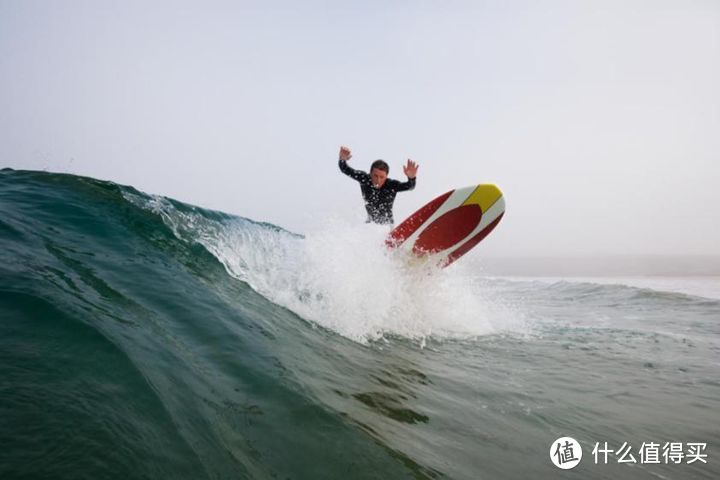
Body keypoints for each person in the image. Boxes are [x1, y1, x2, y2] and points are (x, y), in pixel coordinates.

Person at [337, 145, 419, 224]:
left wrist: (412, 178)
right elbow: (345, 169)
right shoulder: (364, 179)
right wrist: (342, 160)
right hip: (370, 225)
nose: (378, 180)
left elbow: (410, 187)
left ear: (386, 176)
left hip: (387, 226)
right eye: (375, 176)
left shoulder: (391, 185)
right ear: (370, 173)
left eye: (382, 177)